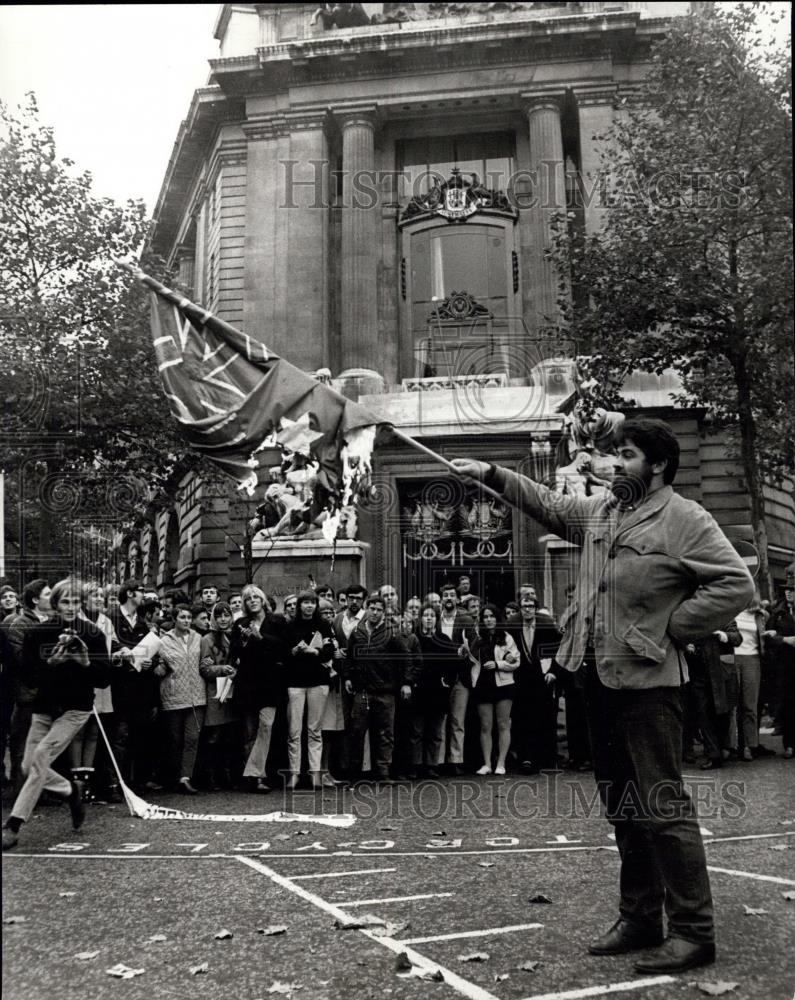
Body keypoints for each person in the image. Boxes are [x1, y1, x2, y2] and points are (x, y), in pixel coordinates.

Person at [452, 417, 754, 973]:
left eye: (629, 456)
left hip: (647, 684)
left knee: (662, 809)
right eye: (614, 456)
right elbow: (546, 502)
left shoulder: (686, 519)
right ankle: (641, 917)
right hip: (593, 678)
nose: (615, 465)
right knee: (622, 808)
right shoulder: (602, 512)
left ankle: (694, 931)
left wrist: (670, 629)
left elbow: (736, 585)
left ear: (658, 465)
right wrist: (491, 473)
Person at [2, 578, 111, 851]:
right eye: (65, 601)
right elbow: (26, 675)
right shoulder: (37, 633)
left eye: (76, 602)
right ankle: (71, 791)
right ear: (54, 603)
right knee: (28, 768)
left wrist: (85, 663)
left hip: (76, 709)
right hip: (44, 706)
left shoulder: (93, 633)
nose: (71, 607)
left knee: (40, 757)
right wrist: (51, 663)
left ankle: (13, 825)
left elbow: (105, 679)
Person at [342, 594, 418, 782]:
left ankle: (383, 772)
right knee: (357, 731)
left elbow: (406, 658)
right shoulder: (356, 632)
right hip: (362, 691)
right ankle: (355, 773)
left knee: (385, 733)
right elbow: (348, 657)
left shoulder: (392, 632)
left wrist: (407, 682)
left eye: (379, 610)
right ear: (366, 609)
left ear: (384, 613)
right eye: (372, 609)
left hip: (386, 691)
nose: (375, 613)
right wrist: (348, 677)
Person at [230, 585, 287, 793]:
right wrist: (245, 639)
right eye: (248, 598)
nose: (252, 600)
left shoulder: (278, 621)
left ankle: (255, 774)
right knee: (249, 733)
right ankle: (255, 778)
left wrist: (260, 638)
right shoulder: (240, 624)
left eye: (256, 597)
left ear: (263, 600)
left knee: (266, 726)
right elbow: (235, 652)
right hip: (247, 683)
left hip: (270, 684)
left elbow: (284, 647)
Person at [109, 579, 160, 792]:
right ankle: (116, 783)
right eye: (141, 592)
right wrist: (125, 657)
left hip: (141, 689)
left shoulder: (141, 621)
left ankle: (139, 781)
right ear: (130, 593)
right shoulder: (111, 618)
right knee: (120, 737)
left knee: (141, 736)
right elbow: (109, 648)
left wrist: (151, 662)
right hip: (120, 688)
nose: (143, 596)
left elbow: (153, 651)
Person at [283, 590, 335, 789]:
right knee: (294, 731)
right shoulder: (290, 627)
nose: (309, 606)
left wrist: (315, 651)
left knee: (315, 730)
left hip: (318, 682)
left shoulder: (323, 626)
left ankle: (315, 774)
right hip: (295, 683)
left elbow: (330, 651)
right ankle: (294, 774)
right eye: (305, 602)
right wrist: (294, 651)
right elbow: (283, 653)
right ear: (299, 606)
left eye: (312, 603)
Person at [5, 579, 52, 792]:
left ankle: (40, 791)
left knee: (44, 746)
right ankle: (21, 790)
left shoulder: (53, 622)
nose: (53, 598)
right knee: (22, 744)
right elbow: (21, 660)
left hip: (49, 694)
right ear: (35, 600)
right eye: (47, 594)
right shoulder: (20, 625)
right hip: (29, 694)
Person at [156, 604, 206, 794]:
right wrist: (158, 668)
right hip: (173, 695)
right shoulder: (163, 641)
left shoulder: (198, 638)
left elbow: (204, 660)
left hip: (197, 696)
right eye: (182, 617)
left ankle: (186, 778)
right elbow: (159, 666)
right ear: (174, 619)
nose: (186, 620)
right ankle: (173, 777)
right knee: (174, 739)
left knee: (192, 738)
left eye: (188, 617)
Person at [511, 591, 562, 773]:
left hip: (543, 677)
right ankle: (526, 759)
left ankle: (547, 759)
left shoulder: (547, 624)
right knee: (522, 719)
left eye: (531, 606)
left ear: (536, 608)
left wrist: (555, 672)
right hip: (520, 679)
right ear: (520, 608)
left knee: (545, 718)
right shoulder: (512, 624)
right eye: (524, 606)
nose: (527, 610)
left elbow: (560, 648)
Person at [468, 604, 519, 775]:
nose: (489, 619)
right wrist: (464, 652)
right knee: (485, 725)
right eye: (485, 617)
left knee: (503, 724)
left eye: (492, 616)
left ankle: (501, 763)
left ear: (497, 618)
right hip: (483, 684)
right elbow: (471, 657)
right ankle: (487, 763)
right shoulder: (477, 638)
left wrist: (498, 664)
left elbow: (515, 662)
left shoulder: (506, 637)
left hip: (503, 684)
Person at [684, 622, 742, 770]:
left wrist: (724, 636)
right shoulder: (692, 617)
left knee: (722, 713)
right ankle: (714, 754)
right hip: (698, 671)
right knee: (703, 714)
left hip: (720, 673)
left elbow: (737, 638)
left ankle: (720, 749)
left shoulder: (724, 616)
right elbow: (681, 637)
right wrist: (686, 646)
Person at [414, 604, 458, 777]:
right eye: (426, 615)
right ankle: (416, 765)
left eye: (433, 615)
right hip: (419, 690)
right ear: (421, 618)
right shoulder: (415, 638)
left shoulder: (444, 639)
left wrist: (447, 680)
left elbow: (453, 663)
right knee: (417, 731)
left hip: (438, 691)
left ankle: (431, 765)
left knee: (435, 731)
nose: (429, 618)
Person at [199, 602, 239, 790]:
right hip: (215, 691)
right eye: (219, 616)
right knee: (213, 735)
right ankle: (211, 776)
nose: (223, 619)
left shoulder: (234, 637)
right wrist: (222, 668)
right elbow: (205, 668)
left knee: (230, 736)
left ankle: (227, 773)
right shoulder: (207, 639)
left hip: (232, 690)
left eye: (227, 615)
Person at [438, 581, 476, 776]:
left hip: (460, 676)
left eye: (452, 595)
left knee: (457, 720)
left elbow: (475, 648)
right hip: (439, 677)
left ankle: (455, 760)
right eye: (446, 595)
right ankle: (438, 761)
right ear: (441, 598)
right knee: (440, 719)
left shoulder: (466, 620)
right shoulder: (434, 618)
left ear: (457, 598)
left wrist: (467, 651)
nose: (449, 599)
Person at [734, 594, 767, 761]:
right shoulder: (731, 611)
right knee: (732, 705)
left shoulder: (759, 615)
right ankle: (732, 745)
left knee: (749, 705)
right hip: (732, 658)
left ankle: (749, 745)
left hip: (752, 658)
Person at [764, 585, 795, 758]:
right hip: (786, 668)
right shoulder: (778, 613)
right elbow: (767, 639)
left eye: (793, 589)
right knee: (789, 706)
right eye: (786, 589)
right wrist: (784, 639)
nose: (788, 592)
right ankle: (789, 745)